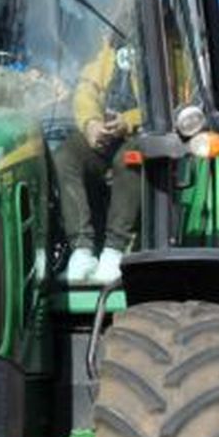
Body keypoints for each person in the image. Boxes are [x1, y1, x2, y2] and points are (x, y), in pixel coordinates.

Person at [55, 38, 141, 284]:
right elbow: (86, 90)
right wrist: (91, 123)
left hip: (141, 133)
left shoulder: (167, 46)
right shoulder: (107, 48)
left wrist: (129, 121)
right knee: (66, 156)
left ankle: (114, 250)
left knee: (129, 157)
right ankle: (82, 250)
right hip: (106, 130)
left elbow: (171, 100)